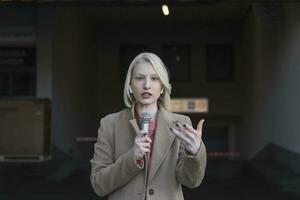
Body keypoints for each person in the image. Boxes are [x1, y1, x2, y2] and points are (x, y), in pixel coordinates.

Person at [90, 52, 207, 200]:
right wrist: (132, 157)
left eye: (154, 78)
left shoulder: (181, 124)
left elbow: (192, 181)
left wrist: (194, 153)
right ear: (130, 86)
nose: (147, 85)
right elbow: (99, 184)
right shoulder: (110, 124)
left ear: (163, 87)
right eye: (139, 78)